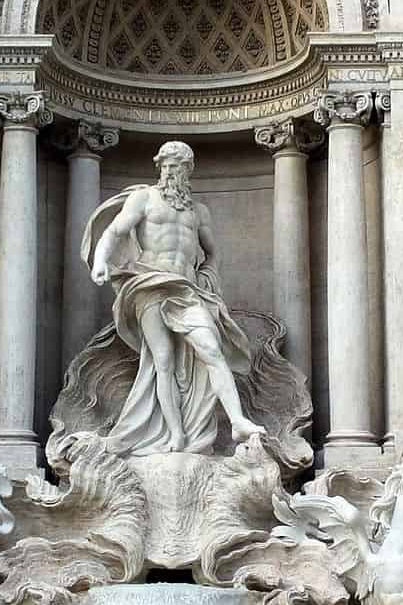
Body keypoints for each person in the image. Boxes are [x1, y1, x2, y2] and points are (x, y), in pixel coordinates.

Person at [83, 141, 267, 455]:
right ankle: (176, 435)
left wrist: (210, 275)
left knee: (212, 349)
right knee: (162, 361)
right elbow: (114, 232)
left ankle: (237, 420)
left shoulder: (198, 212)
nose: (170, 171)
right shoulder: (145, 198)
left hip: (187, 289)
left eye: (177, 166)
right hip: (150, 284)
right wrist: (100, 260)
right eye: (166, 165)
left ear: (188, 170)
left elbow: (212, 252)